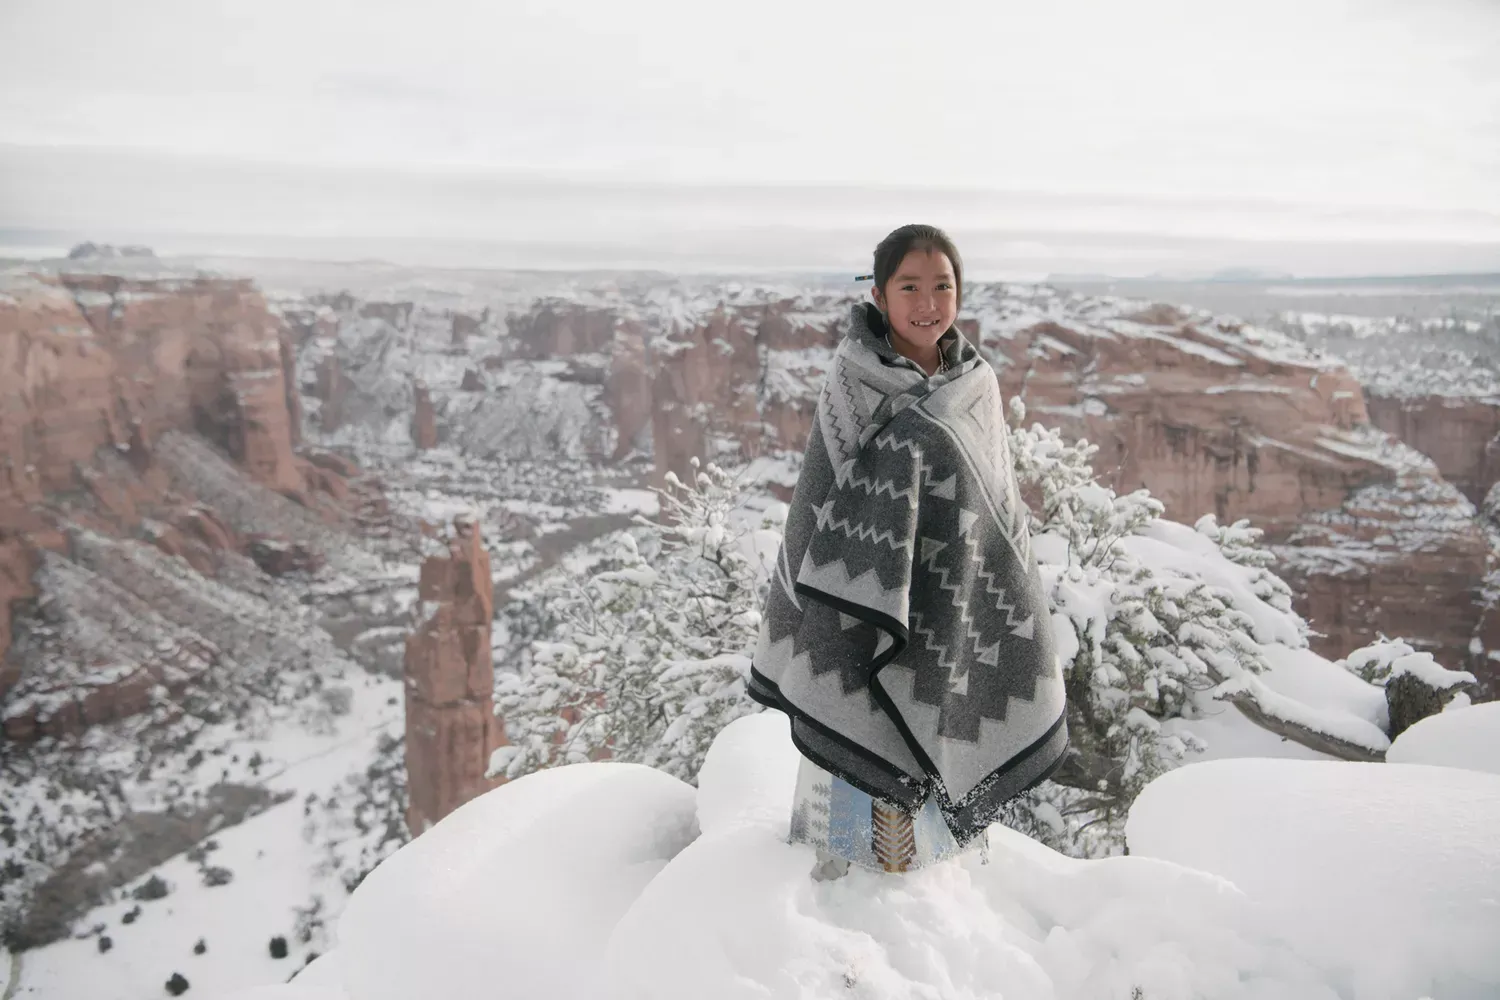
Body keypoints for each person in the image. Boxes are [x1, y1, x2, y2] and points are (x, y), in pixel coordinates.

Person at [748, 224, 1068, 878]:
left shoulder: (976, 384)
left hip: (951, 610)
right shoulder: (853, 380)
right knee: (847, 809)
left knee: (928, 867)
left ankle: (925, 890)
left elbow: (996, 516)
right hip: (854, 614)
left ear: (959, 293)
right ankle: (835, 886)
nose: (927, 302)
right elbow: (820, 497)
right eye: (910, 287)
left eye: (942, 286)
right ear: (879, 293)